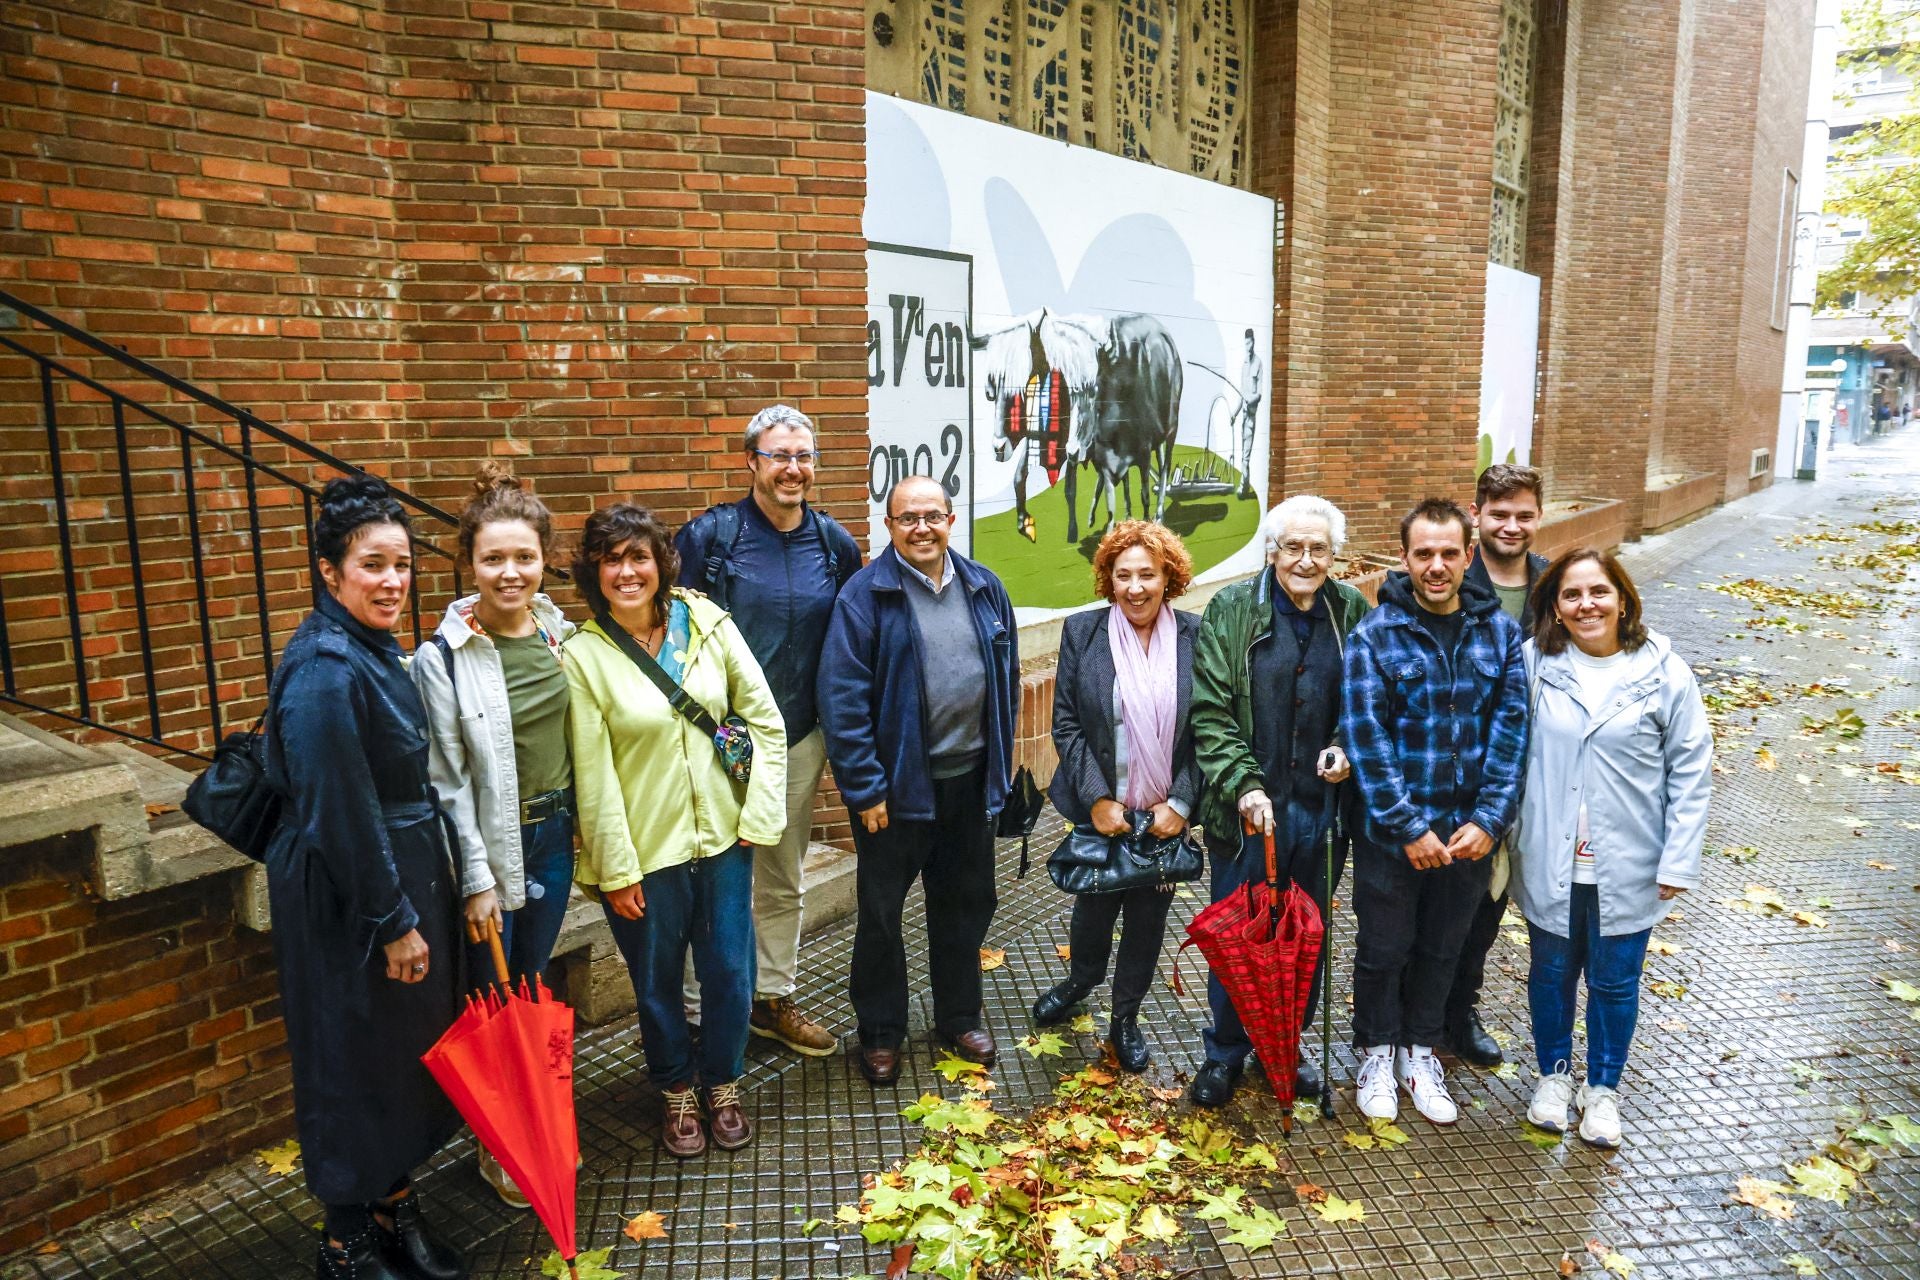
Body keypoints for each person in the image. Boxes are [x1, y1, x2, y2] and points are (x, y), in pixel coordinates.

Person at [263, 476, 465, 1280]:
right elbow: (340, 812)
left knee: (393, 1058)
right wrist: (393, 921)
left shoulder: (373, 650)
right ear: (329, 571)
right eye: (372, 566)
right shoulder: (324, 670)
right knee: (348, 1060)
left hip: (395, 879)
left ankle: (391, 1203)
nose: (391, 582)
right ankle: (345, 1238)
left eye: (402, 565)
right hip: (350, 901)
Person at [565, 503, 787, 1159]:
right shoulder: (584, 656)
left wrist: (758, 813)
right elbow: (592, 771)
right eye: (612, 560)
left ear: (662, 563)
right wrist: (615, 867)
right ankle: (674, 1091)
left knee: (729, 974)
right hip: (645, 854)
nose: (628, 572)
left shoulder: (710, 625)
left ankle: (720, 1083)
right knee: (656, 983)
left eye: (639, 557)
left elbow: (765, 720)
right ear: (595, 572)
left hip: (724, 842)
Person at [673, 404, 861, 1058]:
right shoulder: (710, 538)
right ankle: (702, 1009)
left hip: (797, 741)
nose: (793, 468)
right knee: (715, 876)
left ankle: (771, 998)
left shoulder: (835, 545)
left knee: (782, 873)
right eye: (779, 455)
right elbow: (676, 639)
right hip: (716, 739)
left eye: (804, 456)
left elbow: (850, 643)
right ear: (751, 461)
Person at [818, 475, 1019, 1085]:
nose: (922, 528)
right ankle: (881, 1031)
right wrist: (864, 787)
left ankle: (958, 1016)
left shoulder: (985, 588)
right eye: (908, 518)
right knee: (881, 914)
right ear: (889, 527)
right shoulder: (865, 596)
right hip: (897, 791)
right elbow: (842, 699)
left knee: (964, 906)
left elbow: (1005, 679)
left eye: (932, 515)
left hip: (969, 780)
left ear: (951, 520)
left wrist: (1000, 774)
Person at [410, 463, 574, 1208]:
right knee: (498, 992)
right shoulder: (443, 659)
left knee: (534, 981)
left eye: (525, 557)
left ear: (544, 558)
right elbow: (445, 781)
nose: (511, 573)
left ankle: (534, 1118)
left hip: (557, 835)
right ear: (469, 564)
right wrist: (475, 878)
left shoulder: (558, 632)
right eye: (493, 559)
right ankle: (499, 1143)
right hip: (495, 847)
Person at [1514, 549, 1711, 1148]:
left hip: (1631, 862)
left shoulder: (1665, 672)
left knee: (1616, 981)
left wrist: (1680, 857)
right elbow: (1510, 756)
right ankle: (1552, 1078)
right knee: (1551, 974)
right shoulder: (1534, 665)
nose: (1586, 605)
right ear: (1555, 607)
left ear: (1623, 597)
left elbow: (1691, 771)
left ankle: (1602, 1090)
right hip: (1550, 855)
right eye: (1571, 595)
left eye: (1598, 591)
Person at [1342, 497, 1528, 1125]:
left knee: (1442, 949)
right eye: (1424, 554)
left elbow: (1512, 733)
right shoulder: (1375, 635)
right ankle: (1375, 1051)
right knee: (1384, 948)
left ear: (1469, 555)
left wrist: (1489, 820)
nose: (1438, 566)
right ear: (1405, 558)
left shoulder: (1499, 633)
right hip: (1391, 838)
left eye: (1450, 553)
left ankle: (1420, 1052)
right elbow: (1366, 737)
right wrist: (1409, 827)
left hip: (1469, 835)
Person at [1187, 496, 1369, 1108]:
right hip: (1246, 815)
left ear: (1333, 556)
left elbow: (1367, 706)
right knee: (1241, 937)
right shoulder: (1231, 609)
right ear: (1273, 551)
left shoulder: (1351, 612)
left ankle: (1281, 1047)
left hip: (1320, 814)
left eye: (1319, 549)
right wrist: (1244, 784)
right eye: (1294, 547)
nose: (1306, 559)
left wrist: (1346, 748)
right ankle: (1225, 1053)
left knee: (1304, 938)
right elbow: (1209, 712)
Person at [1033, 520, 1202, 1074]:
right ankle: (1081, 981)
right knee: (1093, 908)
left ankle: (1124, 1017)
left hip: (1161, 816)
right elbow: (1067, 726)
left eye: (1147, 575)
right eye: (1123, 575)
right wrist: (1097, 799)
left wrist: (1179, 804)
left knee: (1148, 920)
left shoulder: (1198, 638)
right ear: (1108, 580)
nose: (1135, 588)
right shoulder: (1083, 632)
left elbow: (1210, 730)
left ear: (1168, 577)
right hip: (1103, 810)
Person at [1444, 463, 1549, 1070]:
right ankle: (1409, 1022)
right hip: (1451, 771)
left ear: (1539, 518)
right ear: (1476, 513)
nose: (1511, 525)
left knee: (1489, 906)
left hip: (1525, 773)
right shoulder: (1453, 575)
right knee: (1438, 908)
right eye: (1499, 513)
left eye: (1524, 515)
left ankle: (1461, 1014)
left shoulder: (1553, 584)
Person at [1235, 328, 1264, 500]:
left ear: (1254, 341)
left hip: (1251, 416)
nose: (1248, 345)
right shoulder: (1244, 364)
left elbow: (1258, 394)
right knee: (1242, 454)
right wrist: (1235, 413)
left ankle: (1243, 488)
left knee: (1246, 455)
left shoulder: (1258, 364)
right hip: (1243, 416)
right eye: (1246, 342)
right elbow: (1241, 393)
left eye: (1250, 342)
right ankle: (1245, 484)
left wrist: (1249, 400)